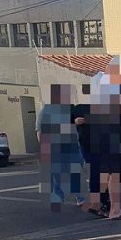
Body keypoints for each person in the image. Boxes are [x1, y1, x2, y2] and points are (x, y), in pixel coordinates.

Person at [83, 61, 121, 220]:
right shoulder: (114, 89)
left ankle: (101, 204)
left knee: (108, 172)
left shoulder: (102, 86)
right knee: (115, 172)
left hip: (105, 136)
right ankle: (114, 209)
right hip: (114, 136)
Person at [36, 83, 83, 211]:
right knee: (58, 173)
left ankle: (79, 197)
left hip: (71, 146)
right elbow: (40, 131)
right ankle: (59, 195)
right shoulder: (45, 112)